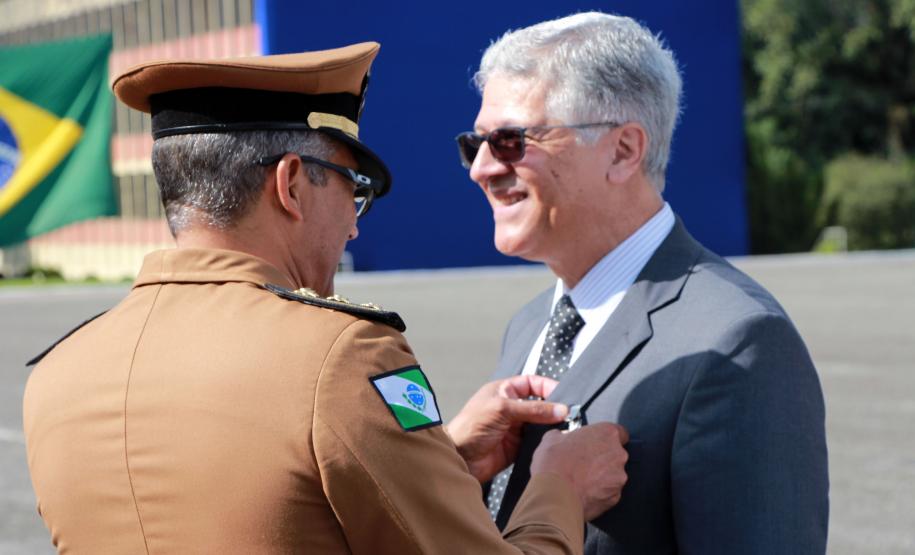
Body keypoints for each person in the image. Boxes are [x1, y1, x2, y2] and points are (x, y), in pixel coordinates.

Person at [22, 42, 631, 554]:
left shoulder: (59, 371)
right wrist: (560, 490)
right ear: (290, 185)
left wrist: (437, 458)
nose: (354, 226)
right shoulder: (341, 357)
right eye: (352, 189)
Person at [455, 12, 829, 554]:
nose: (481, 169)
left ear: (624, 150)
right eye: (476, 143)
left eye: (510, 140)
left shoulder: (738, 341)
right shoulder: (533, 324)